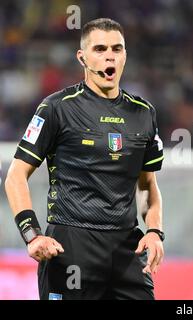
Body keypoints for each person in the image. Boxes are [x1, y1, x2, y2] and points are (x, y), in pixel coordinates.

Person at [5, 18, 165, 300]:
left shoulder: (144, 113)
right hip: (71, 246)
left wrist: (153, 231)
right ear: (82, 57)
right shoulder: (56, 108)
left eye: (117, 48)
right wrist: (32, 235)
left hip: (126, 248)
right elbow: (16, 176)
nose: (109, 56)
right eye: (100, 49)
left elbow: (147, 185)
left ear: (125, 54)